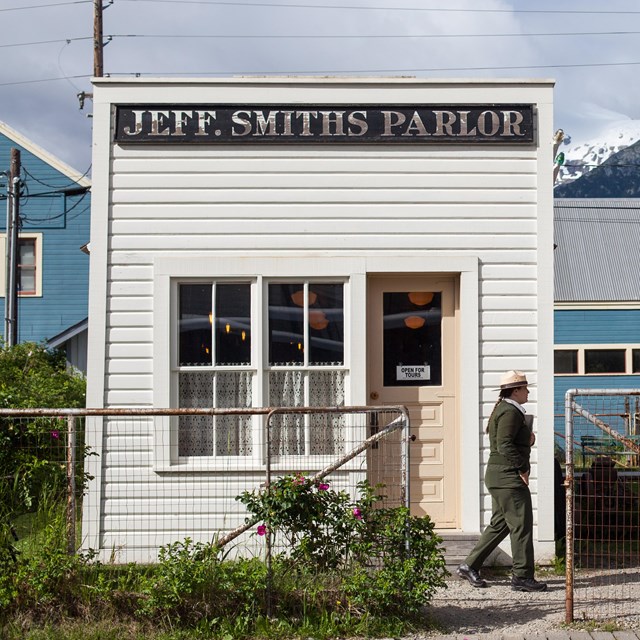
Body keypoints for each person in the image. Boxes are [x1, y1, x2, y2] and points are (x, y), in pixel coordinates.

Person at [456, 370, 548, 592]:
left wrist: (528, 438)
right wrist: (523, 467)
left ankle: (469, 565)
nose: (528, 392)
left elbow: (506, 441)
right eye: (525, 388)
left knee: (501, 524)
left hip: (499, 476)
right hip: (507, 478)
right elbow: (504, 445)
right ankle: (522, 577)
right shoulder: (510, 412)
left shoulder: (507, 409)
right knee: (521, 525)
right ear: (515, 390)